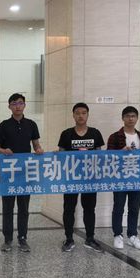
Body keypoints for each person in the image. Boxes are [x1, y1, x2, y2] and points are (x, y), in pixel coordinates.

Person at [0, 93, 43, 253]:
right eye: (14, 103)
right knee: (7, 207)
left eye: (20, 103)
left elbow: (36, 144)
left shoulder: (31, 124)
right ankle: (7, 239)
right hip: (8, 173)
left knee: (23, 207)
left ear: (24, 105)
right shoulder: (3, 125)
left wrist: (39, 149)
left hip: (25, 173)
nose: (17, 106)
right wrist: (3, 151)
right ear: (9, 106)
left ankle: (22, 238)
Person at [57, 103, 104, 253]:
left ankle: (90, 238)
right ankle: (69, 239)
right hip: (71, 178)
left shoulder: (95, 133)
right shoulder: (66, 134)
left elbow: (100, 155)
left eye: (84, 113)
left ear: (88, 115)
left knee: (89, 208)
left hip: (89, 179)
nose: (81, 116)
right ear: (73, 115)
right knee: (69, 209)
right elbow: (61, 155)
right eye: (77, 113)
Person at [107, 106, 140, 250]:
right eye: (127, 116)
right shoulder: (115, 137)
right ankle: (117, 235)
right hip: (120, 178)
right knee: (118, 207)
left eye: (133, 116)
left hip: (136, 178)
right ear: (122, 118)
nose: (130, 119)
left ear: (137, 118)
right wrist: (121, 152)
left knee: (134, 207)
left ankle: (133, 236)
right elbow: (108, 157)